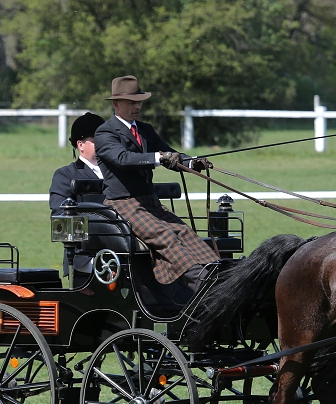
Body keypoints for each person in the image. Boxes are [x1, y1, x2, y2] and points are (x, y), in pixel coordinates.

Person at [94, 75, 219, 293]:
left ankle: (217, 274)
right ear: (116, 104)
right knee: (165, 236)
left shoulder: (145, 130)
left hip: (149, 201)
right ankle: (202, 286)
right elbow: (123, 159)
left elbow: (170, 154)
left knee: (183, 231)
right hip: (123, 204)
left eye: (139, 101)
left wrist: (191, 162)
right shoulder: (105, 133)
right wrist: (158, 157)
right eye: (132, 102)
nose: (137, 106)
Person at [49, 111, 106, 276]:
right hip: (85, 258)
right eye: (98, 141)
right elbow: (61, 218)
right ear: (81, 145)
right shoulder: (66, 175)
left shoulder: (118, 173)